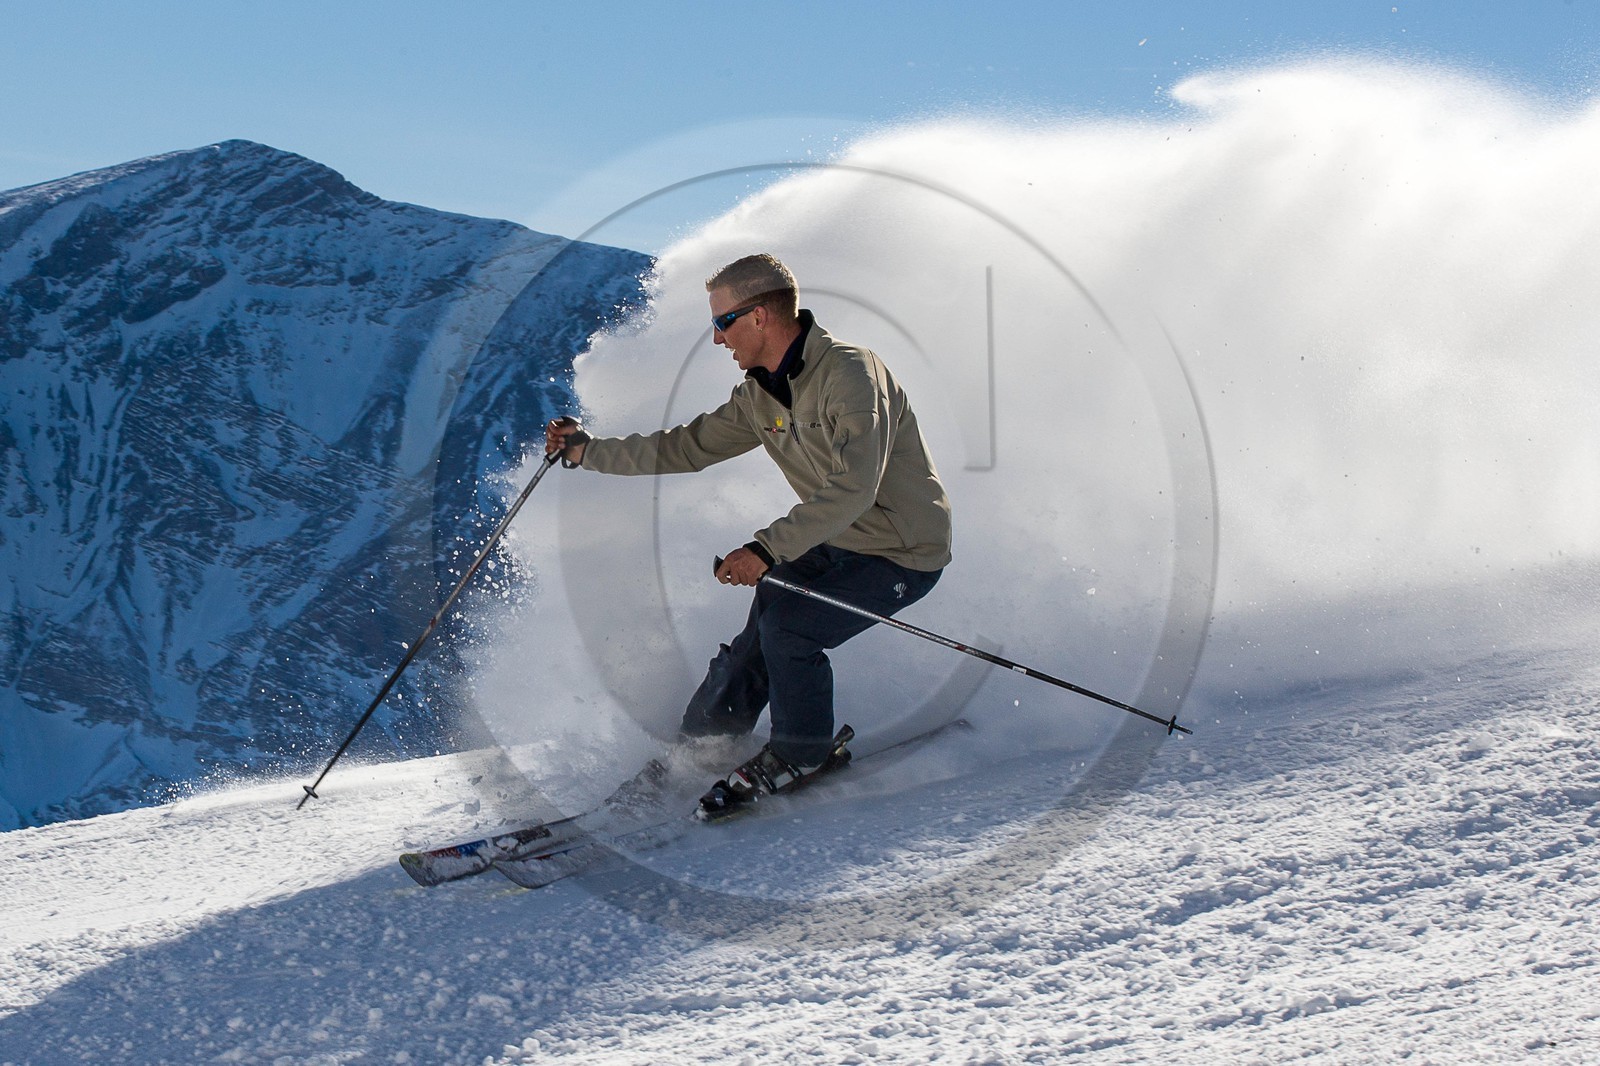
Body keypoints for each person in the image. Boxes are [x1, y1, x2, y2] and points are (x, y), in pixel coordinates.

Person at [545, 253, 952, 801]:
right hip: (837, 539)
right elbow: (685, 447)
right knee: (763, 627)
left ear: (759, 316)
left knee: (791, 628)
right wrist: (587, 452)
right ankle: (700, 745)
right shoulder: (760, 395)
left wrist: (765, 547)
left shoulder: (852, 374)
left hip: (903, 552)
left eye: (722, 322)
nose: (716, 340)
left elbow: (855, 488)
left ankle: (802, 754)